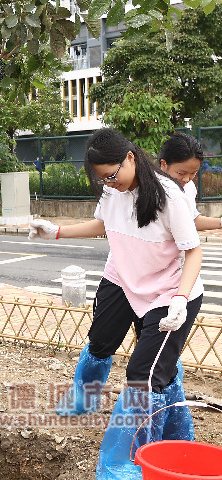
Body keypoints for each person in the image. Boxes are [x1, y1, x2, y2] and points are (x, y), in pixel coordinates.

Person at [28, 128, 203, 479]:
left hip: (168, 294)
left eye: (113, 175)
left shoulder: (169, 195)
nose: (109, 183)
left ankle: (126, 461)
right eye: (101, 179)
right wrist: (56, 231)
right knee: (101, 342)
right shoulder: (112, 190)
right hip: (123, 279)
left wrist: (181, 298)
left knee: (145, 376)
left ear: (130, 158)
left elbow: (193, 249)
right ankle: (83, 399)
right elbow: (101, 224)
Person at [159, 132, 222, 230]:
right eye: (181, 173)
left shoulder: (188, 186)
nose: (186, 179)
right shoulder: (148, 186)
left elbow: (191, 220)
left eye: (193, 173)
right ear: (163, 164)